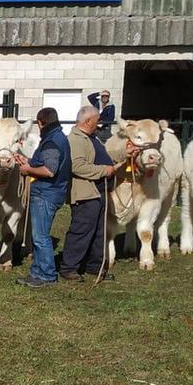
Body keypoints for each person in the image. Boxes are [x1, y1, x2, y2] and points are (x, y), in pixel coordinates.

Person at [13, 107, 71, 288]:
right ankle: (37, 272)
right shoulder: (58, 137)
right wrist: (28, 161)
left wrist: (27, 169)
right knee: (39, 236)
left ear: (40, 122)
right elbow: (45, 163)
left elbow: (49, 170)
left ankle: (47, 275)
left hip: (46, 193)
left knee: (40, 237)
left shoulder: (51, 141)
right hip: (51, 192)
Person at [59, 106, 116, 282]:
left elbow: (104, 155)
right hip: (85, 193)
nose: (99, 124)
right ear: (88, 121)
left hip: (98, 192)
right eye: (97, 121)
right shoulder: (76, 140)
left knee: (99, 232)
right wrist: (103, 171)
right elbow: (77, 166)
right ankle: (69, 268)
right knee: (81, 231)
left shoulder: (92, 138)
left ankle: (94, 266)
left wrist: (124, 153)